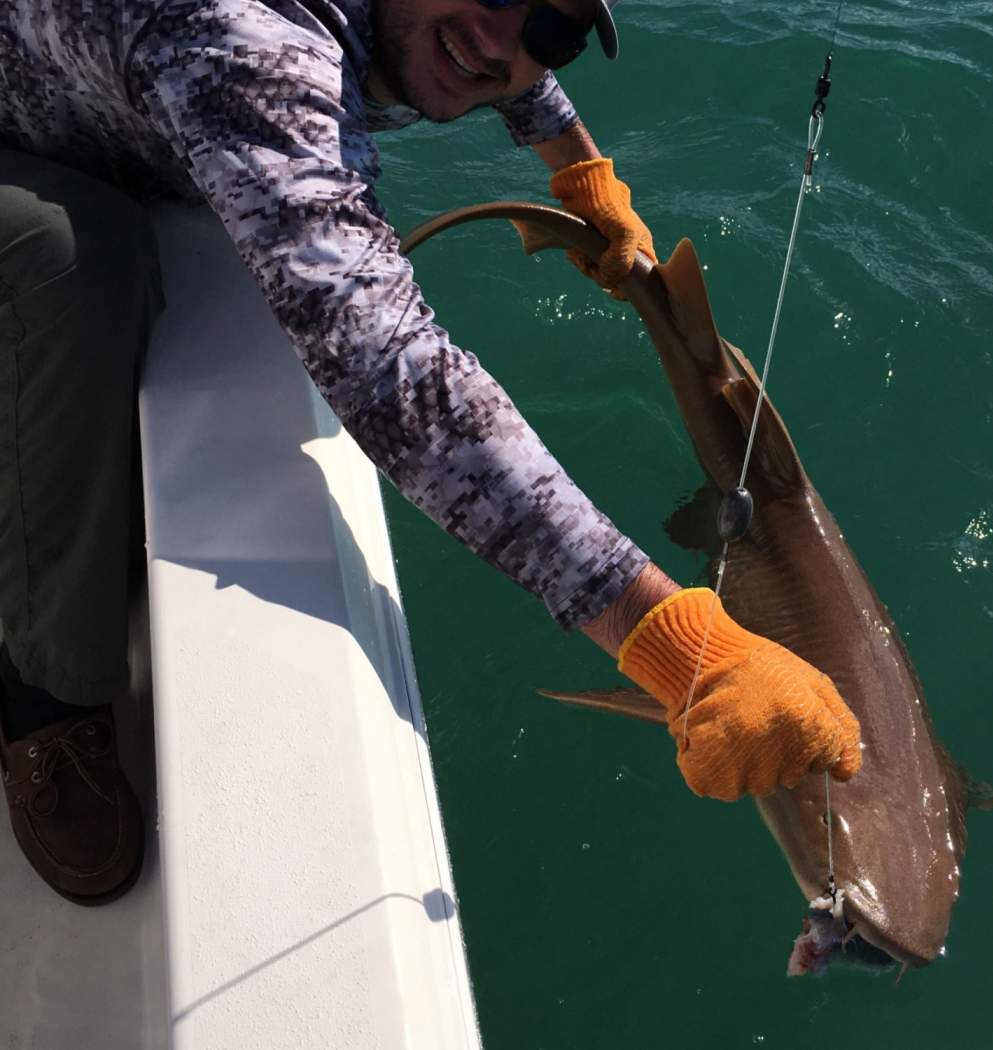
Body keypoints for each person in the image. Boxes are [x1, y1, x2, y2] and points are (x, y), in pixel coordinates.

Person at [0, 0, 862, 906]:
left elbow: (494, 49)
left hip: (72, 101)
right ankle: (40, 690)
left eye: (553, 31)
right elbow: (387, 368)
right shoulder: (243, 37)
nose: (499, 39)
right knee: (76, 261)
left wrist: (582, 173)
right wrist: (673, 642)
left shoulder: (442, 21)